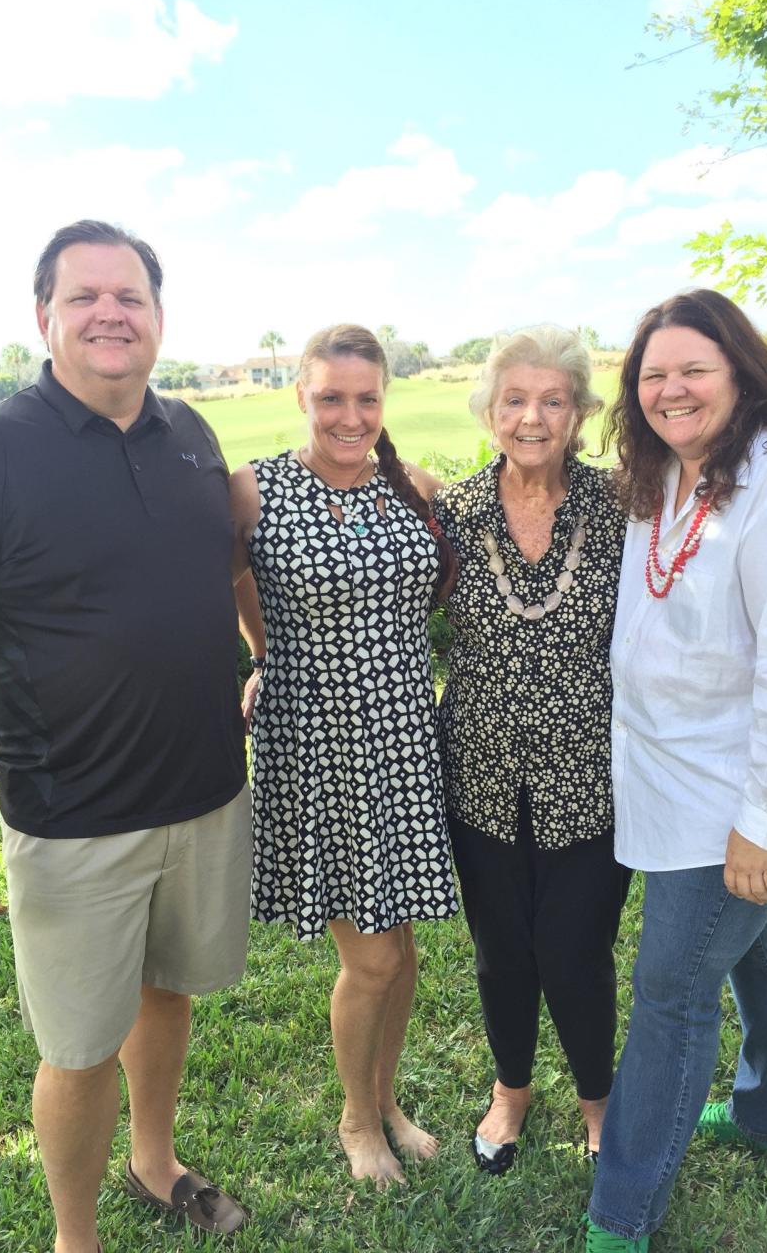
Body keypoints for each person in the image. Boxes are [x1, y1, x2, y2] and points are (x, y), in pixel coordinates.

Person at [0, 220, 252, 1253]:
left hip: (204, 794)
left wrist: (269, 657)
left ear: (157, 317)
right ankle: (77, 1236)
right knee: (75, 1048)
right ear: (44, 318)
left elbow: (235, 571)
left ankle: (155, 1161)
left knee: (168, 993)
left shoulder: (193, 433)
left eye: (131, 296)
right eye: (86, 296)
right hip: (72, 819)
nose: (111, 311)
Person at [582, 289, 767, 1252]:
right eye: (653, 375)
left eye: (693, 371)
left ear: (743, 372)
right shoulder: (676, 472)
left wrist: (766, 819)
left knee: (672, 986)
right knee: (756, 944)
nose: (670, 390)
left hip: (744, 794)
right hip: (678, 777)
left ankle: (622, 1212)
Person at [230, 324, 458, 1188]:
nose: (350, 415)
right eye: (332, 397)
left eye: (366, 398)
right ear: (302, 396)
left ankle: (387, 1098)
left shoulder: (415, 487)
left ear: (384, 400)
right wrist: (263, 656)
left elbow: (440, 585)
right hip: (314, 747)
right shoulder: (253, 491)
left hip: (402, 743)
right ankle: (357, 1119)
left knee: (401, 950)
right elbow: (235, 581)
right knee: (368, 958)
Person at [431, 325, 631, 1174]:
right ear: (489, 409)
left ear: (581, 411)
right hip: (478, 768)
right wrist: (268, 662)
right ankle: (511, 1090)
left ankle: (599, 1099)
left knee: (575, 948)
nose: (532, 416)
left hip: (593, 770)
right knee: (501, 946)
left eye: (553, 400)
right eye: (515, 399)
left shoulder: (626, 505)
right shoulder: (450, 514)